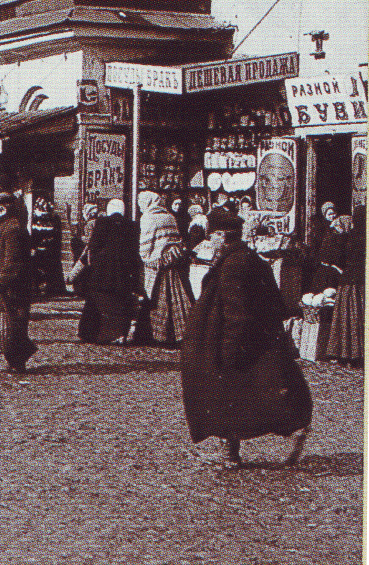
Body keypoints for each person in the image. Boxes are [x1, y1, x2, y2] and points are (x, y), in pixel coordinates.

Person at [181, 207, 313, 467]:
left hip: (235, 342)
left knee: (226, 394)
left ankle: (231, 453)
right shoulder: (250, 258)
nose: (210, 241)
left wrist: (229, 349)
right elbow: (275, 302)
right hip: (257, 340)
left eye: (212, 236)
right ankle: (288, 430)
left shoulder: (232, 265)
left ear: (221, 235)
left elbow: (236, 313)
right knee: (247, 395)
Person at [74, 198, 142, 345]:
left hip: (102, 270)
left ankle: (92, 333)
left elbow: (93, 246)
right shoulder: (132, 225)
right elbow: (135, 249)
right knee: (121, 301)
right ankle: (119, 333)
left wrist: (91, 264)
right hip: (123, 270)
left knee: (97, 300)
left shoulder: (102, 222)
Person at [0, 192, 37, 372]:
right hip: (14, 282)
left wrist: (1, 280)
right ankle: (16, 359)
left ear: (2, 209)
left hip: (15, 284)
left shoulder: (11, 230)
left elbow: (13, 260)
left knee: (16, 322)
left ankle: (18, 359)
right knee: (14, 322)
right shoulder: (6, 227)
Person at [138, 190, 194, 346]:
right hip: (173, 263)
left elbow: (145, 246)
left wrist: (145, 261)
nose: (140, 207)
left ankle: (157, 335)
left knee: (157, 300)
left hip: (158, 264)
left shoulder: (148, 217)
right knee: (177, 300)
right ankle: (180, 333)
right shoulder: (169, 216)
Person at [325, 204, 365, 366]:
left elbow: (338, 258)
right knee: (359, 316)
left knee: (346, 317)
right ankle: (359, 353)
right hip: (361, 281)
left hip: (348, 280)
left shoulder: (348, 236)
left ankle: (345, 353)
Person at [311, 201, 352, 295]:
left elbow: (343, 246)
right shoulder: (321, 229)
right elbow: (319, 246)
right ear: (325, 215)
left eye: (333, 213)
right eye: (329, 214)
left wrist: (340, 233)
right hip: (324, 266)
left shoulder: (341, 225)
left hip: (337, 266)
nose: (332, 216)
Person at [30, 195, 64, 298]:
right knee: (41, 270)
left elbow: (57, 235)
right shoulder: (38, 218)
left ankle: (46, 288)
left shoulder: (52, 218)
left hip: (47, 250)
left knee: (46, 270)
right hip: (43, 250)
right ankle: (42, 288)